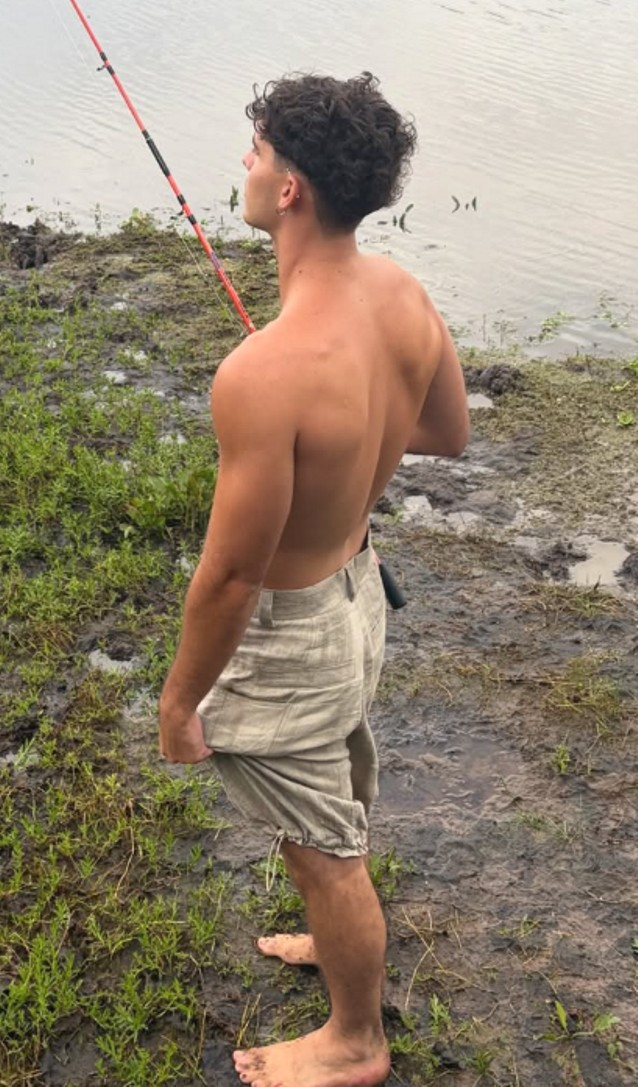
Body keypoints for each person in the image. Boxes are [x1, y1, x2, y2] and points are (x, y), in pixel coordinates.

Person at [159, 72, 469, 1087]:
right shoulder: (403, 294)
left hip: (296, 631)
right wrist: (347, 444)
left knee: (319, 846)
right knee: (333, 794)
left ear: (288, 188)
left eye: (255, 152)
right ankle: (336, 938)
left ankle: (355, 1039)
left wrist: (179, 704)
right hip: (358, 597)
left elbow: (231, 576)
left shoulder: (262, 371)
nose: (244, 166)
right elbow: (446, 432)